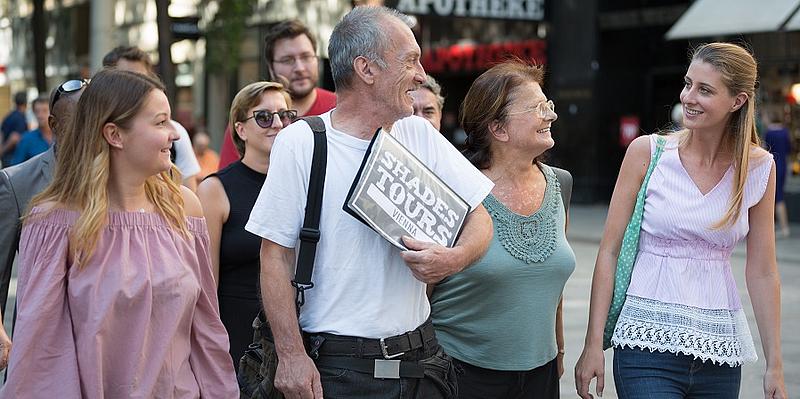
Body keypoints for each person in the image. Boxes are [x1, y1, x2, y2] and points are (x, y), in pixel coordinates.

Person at [245, 6, 494, 399]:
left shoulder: (417, 133)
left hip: (421, 363)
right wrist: (292, 356)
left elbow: (479, 217)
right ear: (367, 69)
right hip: (338, 369)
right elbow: (273, 257)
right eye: (410, 60)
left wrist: (455, 258)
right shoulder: (304, 142)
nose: (421, 74)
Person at [0, 69, 238, 397]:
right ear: (115, 134)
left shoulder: (185, 209)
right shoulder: (53, 221)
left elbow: (206, 330)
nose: (175, 134)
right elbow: (43, 355)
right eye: (160, 122)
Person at [575, 43, 787, 399]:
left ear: (737, 101)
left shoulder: (759, 167)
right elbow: (609, 251)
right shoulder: (648, 153)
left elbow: (763, 270)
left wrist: (775, 364)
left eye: (705, 90)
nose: (688, 97)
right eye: (688, 84)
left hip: (718, 352)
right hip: (644, 344)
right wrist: (593, 343)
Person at [429, 60, 574, 399]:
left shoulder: (561, 185)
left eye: (548, 105)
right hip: (461, 374)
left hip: (542, 374)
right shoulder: (453, 188)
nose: (550, 116)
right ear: (499, 128)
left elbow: (554, 289)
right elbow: (421, 291)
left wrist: (560, 352)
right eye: (538, 108)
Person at [197, 81, 295, 367]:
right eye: (264, 117)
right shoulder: (215, 189)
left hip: (299, 336)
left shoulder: (303, 184)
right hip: (235, 337)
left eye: (286, 115)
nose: (277, 124)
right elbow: (206, 284)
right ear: (240, 130)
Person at [0, 79, 87, 355]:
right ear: (54, 124)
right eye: (79, 120)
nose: (89, 129)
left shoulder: (119, 178)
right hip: (39, 346)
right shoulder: (17, 183)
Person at [218, 20, 336, 169]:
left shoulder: (340, 109)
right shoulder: (249, 119)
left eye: (306, 57)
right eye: (287, 60)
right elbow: (230, 184)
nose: (299, 68)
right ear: (271, 68)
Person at [102, 45, 202, 191]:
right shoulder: (84, 137)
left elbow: (189, 195)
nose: (136, 87)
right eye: (126, 78)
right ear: (113, 134)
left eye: (142, 79)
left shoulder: (176, 135)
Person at [764, 112, 792, 238]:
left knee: (776, 196)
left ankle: (784, 227)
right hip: (783, 165)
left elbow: (765, 149)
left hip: (772, 165)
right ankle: (779, 226)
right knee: (778, 195)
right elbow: (789, 150)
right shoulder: (785, 132)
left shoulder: (769, 133)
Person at [11, 96, 52, 165]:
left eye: (45, 111)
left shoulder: (62, 137)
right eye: (37, 111)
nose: (40, 115)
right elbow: (16, 167)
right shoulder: (26, 138)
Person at [1, 92, 28, 167]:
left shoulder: (9, 116)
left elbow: (2, 133)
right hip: (14, 156)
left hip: (6, 156)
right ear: (26, 103)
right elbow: (15, 138)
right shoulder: (20, 117)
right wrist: (2, 151)